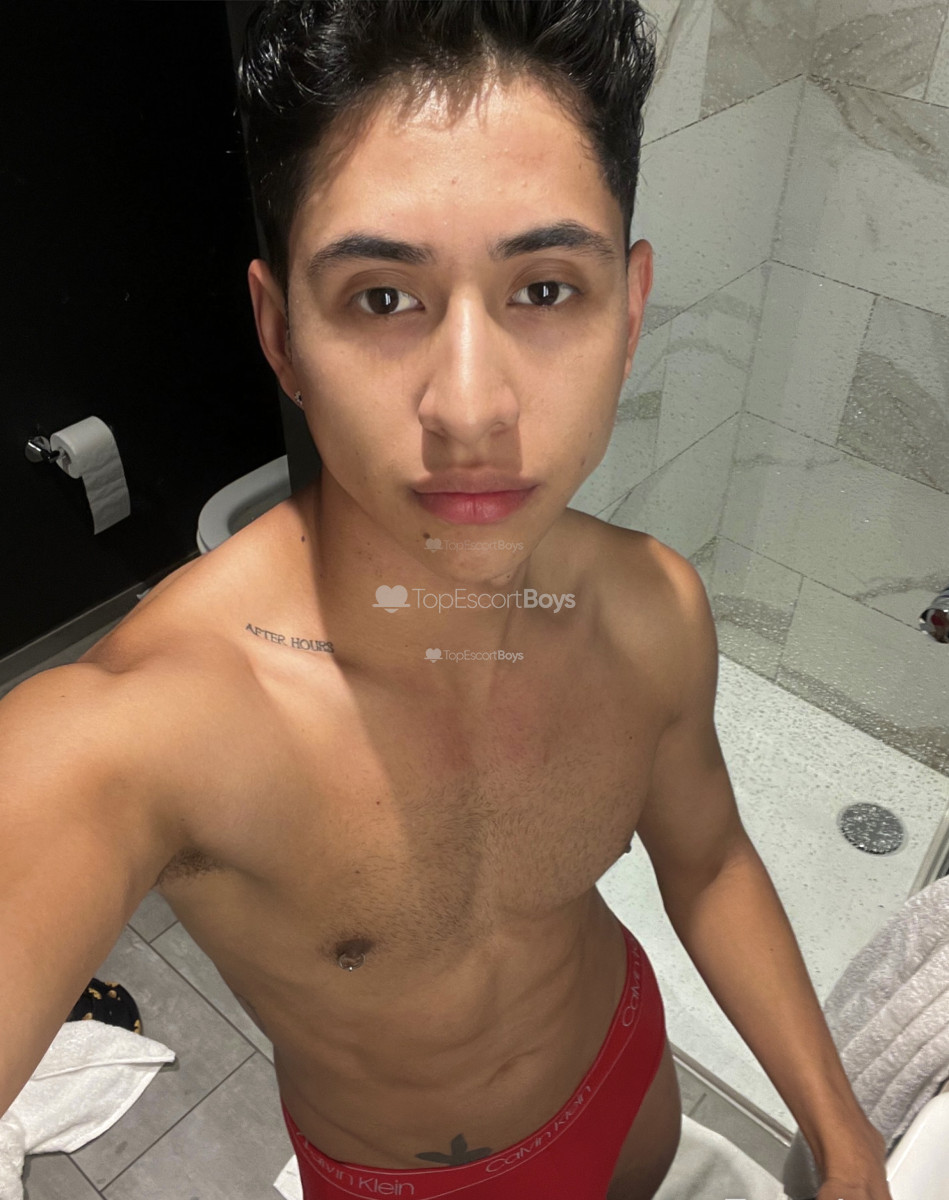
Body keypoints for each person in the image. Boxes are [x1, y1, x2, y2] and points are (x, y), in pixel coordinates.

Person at [0, 3, 894, 1198]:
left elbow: (711, 857)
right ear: (281, 334)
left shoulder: (652, 612)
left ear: (630, 314)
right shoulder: (143, 730)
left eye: (544, 289)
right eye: (382, 298)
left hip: (625, 1075)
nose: (470, 410)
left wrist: (842, 1135)